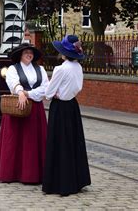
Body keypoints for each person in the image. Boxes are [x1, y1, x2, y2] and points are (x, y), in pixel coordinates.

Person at [43, 35, 91, 196]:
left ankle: (60, 183)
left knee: (59, 144)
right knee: (73, 143)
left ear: (63, 52)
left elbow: (48, 93)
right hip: (72, 106)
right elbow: (79, 87)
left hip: (60, 107)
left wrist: (55, 93)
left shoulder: (60, 69)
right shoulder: (78, 68)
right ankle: (77, 181)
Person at [0, 43, 49, 184]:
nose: (29, 55)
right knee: (15, 142)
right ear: (20, 55)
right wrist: (20, 92)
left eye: (30, 52)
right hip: (18, 107)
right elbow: (13, 83)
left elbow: (46, 88)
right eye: (26, 52)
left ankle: (34, 174)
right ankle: (12, 173)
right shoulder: (13, 69)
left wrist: (28, 93)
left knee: (33, 141)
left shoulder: (40, 69)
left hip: (35, 109)